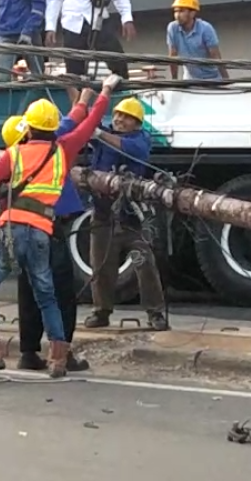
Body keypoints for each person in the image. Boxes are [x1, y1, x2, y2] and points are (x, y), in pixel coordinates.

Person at [0, 75, 120, 378]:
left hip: (11, 231)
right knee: (48, 294)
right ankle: (59, 359)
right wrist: (103, 92)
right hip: (43, 231)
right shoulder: (63, 149)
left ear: (28, 127)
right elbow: (87, 124)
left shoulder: (14, 153)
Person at [4, 91, 97, 373]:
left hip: (21, 227)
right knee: (60, 292)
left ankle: (29, 353)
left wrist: (81, 101)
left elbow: (71, 121)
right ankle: (61, 354)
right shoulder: (56, 148)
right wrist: (96, 96)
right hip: (49, 227)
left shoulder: (13, 156)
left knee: (29, 289)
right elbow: (79, 124)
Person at [83, 96, 169, 331]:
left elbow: (131, 149)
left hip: (131, 220)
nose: (119, 119)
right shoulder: (105, 137)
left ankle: (155, 313)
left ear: (137, 124)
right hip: (103, 218)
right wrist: (78, 92)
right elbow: (84, 115)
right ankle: (101, 312)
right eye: (118, 115)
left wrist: (99, 134)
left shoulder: (140, 140)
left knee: (143, 263)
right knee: (101, 266)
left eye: (126, 117)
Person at [166, 0, 228, 81]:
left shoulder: (206, 29)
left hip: (212, 79)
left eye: (181, 11)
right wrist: (174, 81)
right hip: (190, 79)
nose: (177, 15)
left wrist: (226, 80)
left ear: (192, 13)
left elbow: (216, 57)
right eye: (175, 11)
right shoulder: (173, 28)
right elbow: (172, 57)